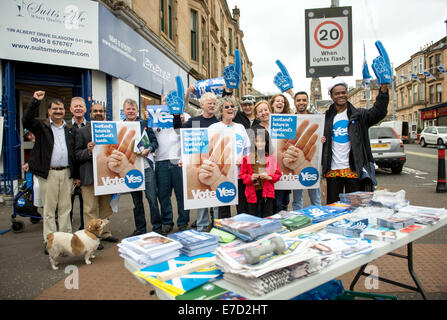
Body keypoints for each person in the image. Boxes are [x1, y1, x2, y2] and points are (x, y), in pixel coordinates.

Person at [22, 90, 79, 253]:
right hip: (49, 174)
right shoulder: (41, 126)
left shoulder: (70, 129)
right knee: (49, 210)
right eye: (55, 109)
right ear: (49, 111)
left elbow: (74, 152)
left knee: (65, 209)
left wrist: (76, 175)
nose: (58, 111)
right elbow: (26, 120)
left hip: (67, 173)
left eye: (61, 109)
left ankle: (66, 240)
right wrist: (34, 101)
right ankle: (51, 241)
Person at [322, 77, 389, 204]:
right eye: (337, 93)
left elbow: (379, 112)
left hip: (354, 170)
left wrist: (384, 88)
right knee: (334, 208)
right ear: (331, 96)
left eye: (343, 92)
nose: (341, 95)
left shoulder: (359, 115)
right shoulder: (326, 118)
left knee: (355, 208)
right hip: (333, 172)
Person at [74, 103, 118, 249]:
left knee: (105, 208)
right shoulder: (81, 132)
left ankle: (105, 233)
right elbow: (76, 155)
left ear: (104, 113)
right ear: (90, 113)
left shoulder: (111, 130)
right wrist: (88, 151)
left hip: (106, 176)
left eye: (101, 111)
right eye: (95, 111)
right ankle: (92, 237)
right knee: (90, 209)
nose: (98, 113)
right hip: (90, 177)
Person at [176, 92, 219, 232]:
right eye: (209, 103)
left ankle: (218, 225)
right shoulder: (194, 121)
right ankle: (202, 226)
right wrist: (176, 116)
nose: (212, 106)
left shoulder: (219, 122)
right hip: (198, 166)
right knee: (202, 197)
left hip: (216, 166)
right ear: (202, 105)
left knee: (216, 198)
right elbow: (179, 133)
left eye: (214, 103)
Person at [122, 98, 162, 237]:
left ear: (137, 111)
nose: (131, 111)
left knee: (152, 199)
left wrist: (149, 149)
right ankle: (140, 229)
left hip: (146, 166)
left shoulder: (144, 124)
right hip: (131, 169)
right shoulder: (119, 127)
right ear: (124, 111)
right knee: (136, 202)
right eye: (128, 109)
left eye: (133, 109)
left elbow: (154, 142)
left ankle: (157, 228)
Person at [153, 93, 191, 235]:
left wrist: (182, 120)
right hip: (161, 161)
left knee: (182, 195)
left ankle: (183, 222)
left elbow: (189, 134)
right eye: (165, 100)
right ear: (161, 103)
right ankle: (167, 223)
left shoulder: (184, 116)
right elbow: (150, 137)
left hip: (178, 161)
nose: (167, 103)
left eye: (170, 100)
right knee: (164, 195)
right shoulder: (154, 117)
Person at [208, 96, 251, 219]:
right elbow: (204, 150)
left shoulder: (240, 127)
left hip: (239, 174)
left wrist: (242, 159)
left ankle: (243, 230)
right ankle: (223, 232)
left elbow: (247, 149)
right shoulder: (213, 128)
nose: (230, 108)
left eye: (232, 106)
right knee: (223, 208)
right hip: (221, 175)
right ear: (220, 111)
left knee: (242, 207)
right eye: (226, 107)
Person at [291, 91, 323, 210]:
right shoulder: (290, 119)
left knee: (315, 198)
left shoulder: (316, 119)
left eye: (304, 100)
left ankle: (319, 220)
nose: (301, 103)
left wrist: (322, 139)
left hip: (312, 163)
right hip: (296, 164)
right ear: (294, 103)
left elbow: (321, 135)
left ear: (307, 101)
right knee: (297, 200)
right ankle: (298, 222)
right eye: (298, 100)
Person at [239, 128, 282, 217]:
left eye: (262, 141)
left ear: (266, 142)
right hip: (252, 192)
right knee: (253, 216)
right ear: (253, 142)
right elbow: (242, 175)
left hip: (267, 192)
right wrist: (250, 178)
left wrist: (268, 177)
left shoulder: (272, 157)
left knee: (268, 215)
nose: (260, 144)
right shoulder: (247, 158)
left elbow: (278, 174)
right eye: (257, 141)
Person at [269, 94, 292, 213]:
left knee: (284, 201)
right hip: (270, 168)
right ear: (272, 104)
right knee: (276, 202)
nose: (280, 103)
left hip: (284, 167)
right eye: (277, 101)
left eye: (282, 101)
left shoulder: (289, 120)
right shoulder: (266, 121)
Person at [70, 97, 87, 230]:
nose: (78, 109)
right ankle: (67, 232)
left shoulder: (91, 126)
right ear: (71, 109)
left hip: (85, 173)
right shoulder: (65, 127)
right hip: (68, 172)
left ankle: (83, 230)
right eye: (75, 106)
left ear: (85, 109)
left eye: (81, 106)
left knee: (85, 205)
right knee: (66, 206)